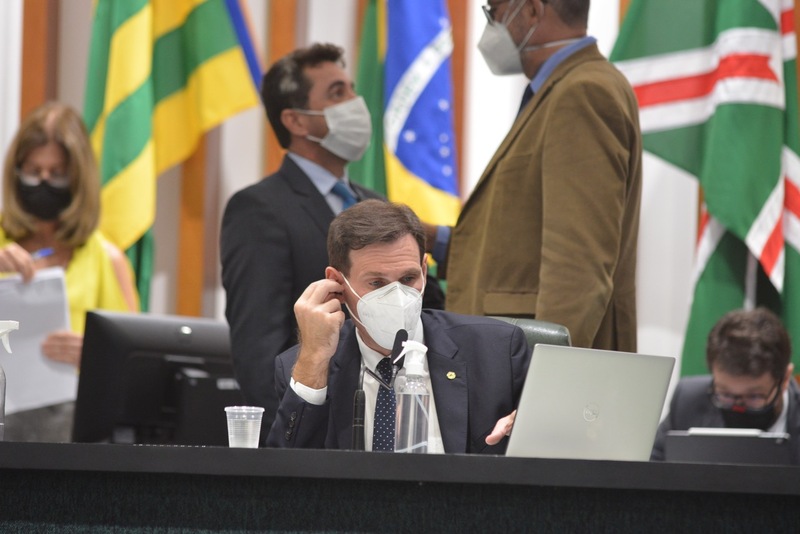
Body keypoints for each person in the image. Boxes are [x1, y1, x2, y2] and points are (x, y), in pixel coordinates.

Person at [220, 43, 443, 432]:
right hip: (317, 428)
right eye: (337, 93)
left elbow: (432, 309)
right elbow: (258, 349)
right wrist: (287, 441)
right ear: (296, 121)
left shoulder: (375, 203)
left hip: (400, 414)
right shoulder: (258, 208)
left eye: (352, 89)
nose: (356, 102)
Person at [434, 0, 642, 352]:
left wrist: (545, 373)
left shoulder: (583, 92)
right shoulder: (562, 89)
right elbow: (526, 242)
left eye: (494, 11)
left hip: (527, 360)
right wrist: (437, 240)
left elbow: (577, 267)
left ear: (531, 11)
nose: (492, 24)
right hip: (511, 352)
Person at [266, 200, 530, 453]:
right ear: (337, 282)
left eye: (408, 278)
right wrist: (314, 360)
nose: (397, 296)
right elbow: (287, 474)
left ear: (424, 272)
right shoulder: (306, 367)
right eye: (377, 283)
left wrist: (537, 426)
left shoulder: (497, 351)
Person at [0, 101, 139, 441]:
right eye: (33, 171)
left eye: (57, 173)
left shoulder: (106, 259)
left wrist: (95, 358)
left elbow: (136, 369)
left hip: (73, 433)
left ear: (78, 178)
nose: (43, 182)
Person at [650, 308, 800, 463]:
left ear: (785, 379)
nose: (738, 408)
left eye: (754, 396)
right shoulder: (688, 403)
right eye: (725, 394)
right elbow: (649, 470)